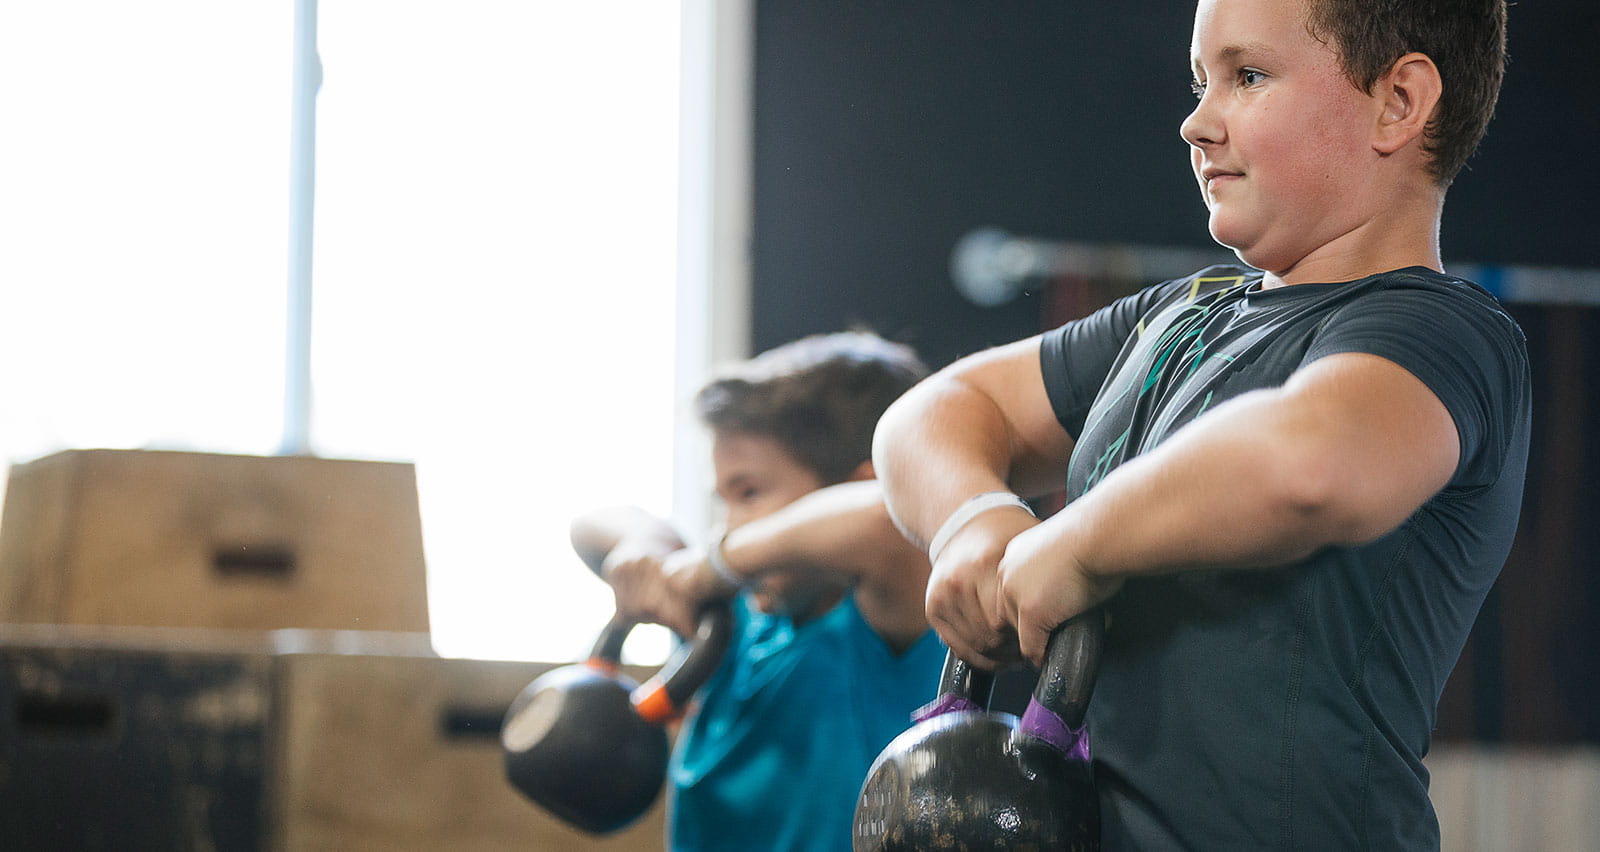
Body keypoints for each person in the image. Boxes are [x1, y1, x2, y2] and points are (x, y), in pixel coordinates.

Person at [871, 0, 1528, 848]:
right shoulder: (1176, 319)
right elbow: (933, 412)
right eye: (1198, 80)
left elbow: (1309, 464)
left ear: (1398, 101)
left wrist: (1069, 546)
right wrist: (973, 523)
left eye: (1247, 77)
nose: (1195, 122)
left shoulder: (1441, 333)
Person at [569, 330, 945, 852]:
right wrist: (647, 551)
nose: (727, 528)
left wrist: (718, 562)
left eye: (748, 493)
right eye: (722, 499)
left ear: (856, 485)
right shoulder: (728, 624)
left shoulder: (885, 625)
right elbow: (590, 526)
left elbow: (884, 516)